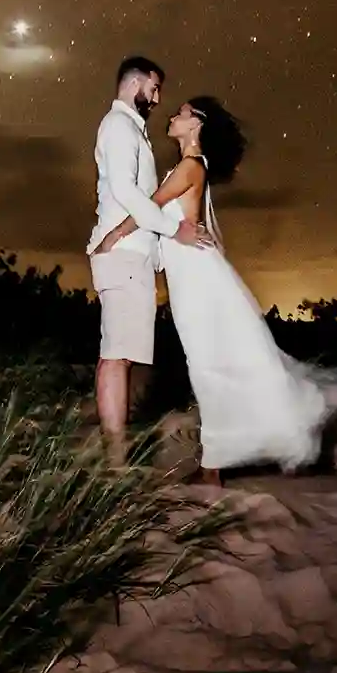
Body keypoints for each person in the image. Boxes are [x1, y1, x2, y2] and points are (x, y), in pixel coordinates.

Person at [93, 95, 337, 481]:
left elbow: (149, 208)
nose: (173, 116)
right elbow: (201, 225)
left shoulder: (190, 167)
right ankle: (214, 462)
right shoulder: (194, 167)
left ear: (197, 124)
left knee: (206, 362)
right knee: (207, 361)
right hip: (190, 275)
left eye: (181, 113)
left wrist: (112, 236)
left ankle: (212, 467)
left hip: (195, 278)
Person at [87, 55, 209, 460]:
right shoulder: (120, 126)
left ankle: (116, 456)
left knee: (121, 355)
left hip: (131, 256)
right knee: (116, 356)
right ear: (134, 83)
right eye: (154, 89)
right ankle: (116, 461)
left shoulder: (131, 129)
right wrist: (173, 230)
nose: (157, 99)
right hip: (123, 255)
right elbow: (125, 188)